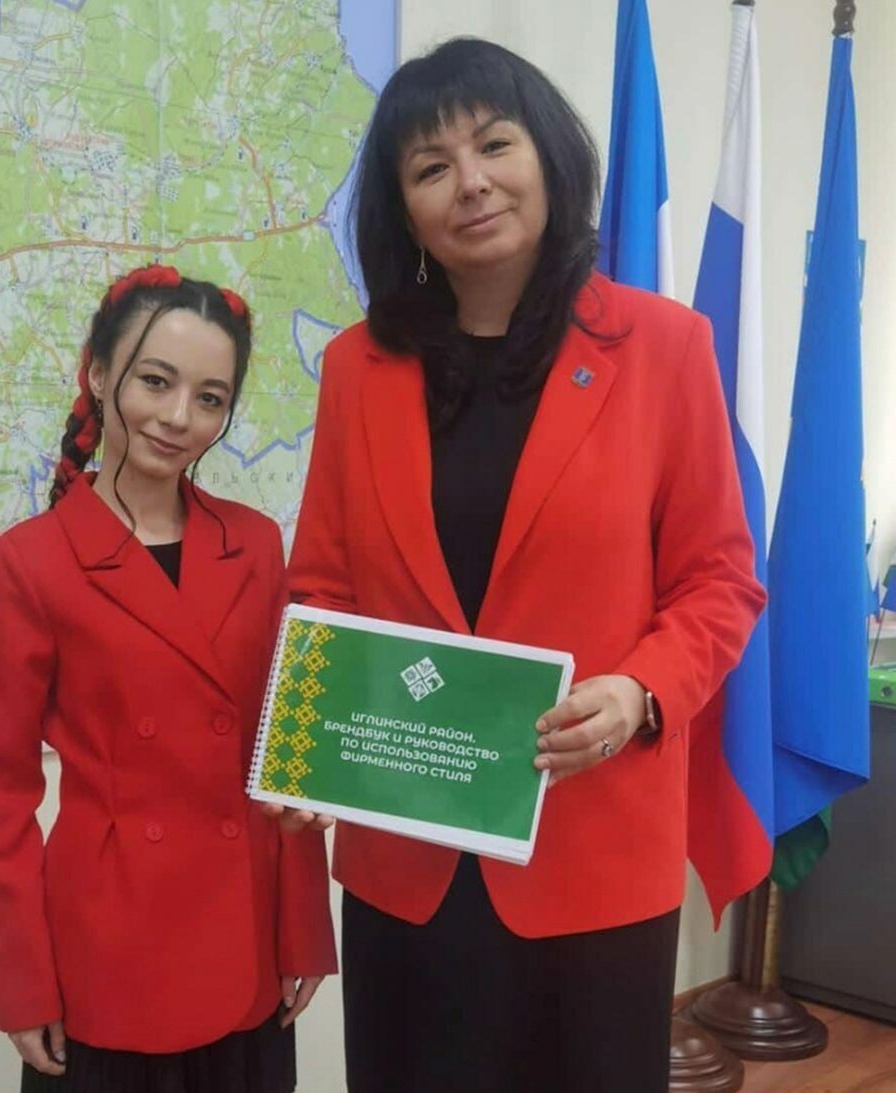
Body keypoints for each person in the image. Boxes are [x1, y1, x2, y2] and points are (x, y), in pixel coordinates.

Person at [278, 37, 766, 1093]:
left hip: (590, 844)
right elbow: (320, 584)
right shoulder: (358, 370)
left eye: (493, 144)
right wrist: (312, 740)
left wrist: (639, 693)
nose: (471, 182)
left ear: (546, 154)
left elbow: (719, 579)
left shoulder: (664, 347)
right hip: (406, 851)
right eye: (430, 166)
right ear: (402, 211)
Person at [0, 264, 337, 1093]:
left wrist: (305, 929)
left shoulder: (255, 542)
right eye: (155, 381)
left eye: (209, 397)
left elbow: (287, 751)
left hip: (243, 942)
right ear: (99, 374)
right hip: (107, 954)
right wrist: (20, 980)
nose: (178, 417)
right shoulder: (29, 561)